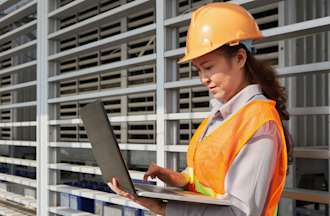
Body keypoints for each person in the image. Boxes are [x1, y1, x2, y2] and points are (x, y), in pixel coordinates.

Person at [108, 2, 292, 216]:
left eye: (209, 67)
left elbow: (239, 212)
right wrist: (178, 178)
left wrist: (161, 207)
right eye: (198, 69)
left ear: (240, 58)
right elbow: (206, 176)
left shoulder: (260, 123)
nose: (204, 79)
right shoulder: (221, 116)